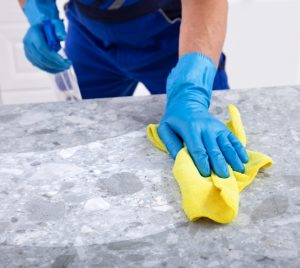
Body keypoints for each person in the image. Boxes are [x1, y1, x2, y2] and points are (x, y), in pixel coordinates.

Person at [19, 0, 249, 178]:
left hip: (172, 37)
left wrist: (192, 91)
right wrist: (38, 13)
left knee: (209, 146)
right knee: (82, 141)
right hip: (88, 35)